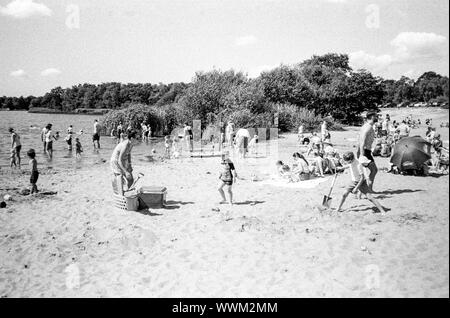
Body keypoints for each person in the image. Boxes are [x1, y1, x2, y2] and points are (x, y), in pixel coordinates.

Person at [110, 130, 138, 194]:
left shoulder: (131, 144)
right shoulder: (125, 145)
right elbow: (119, 160)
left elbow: (128, 154)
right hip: (116, 161)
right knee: (120, 178)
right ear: (132, 138)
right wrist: (125, 171)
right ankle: (121, 194)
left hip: (123, 160)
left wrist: (129, 165)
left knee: (130, 178)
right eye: (136, 138)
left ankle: (129, 193)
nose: (138, 139)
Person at [358, 112, 378, 193]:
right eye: (376, 116)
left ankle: (366, 190)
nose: (377, 117)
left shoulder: (368, 126)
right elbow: (362, 141)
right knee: (374, 170)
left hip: (366, 151)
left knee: (368, 171)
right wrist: (362, 155)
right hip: (365, 151)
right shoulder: (368, 127)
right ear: (372, 117)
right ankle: (367, 190)